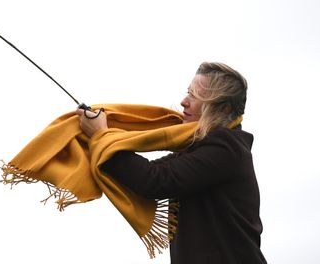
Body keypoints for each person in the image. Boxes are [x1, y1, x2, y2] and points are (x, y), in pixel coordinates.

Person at [77, 62, 267, 264]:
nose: (184, 102)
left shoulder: (227, 148)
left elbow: (154, 180)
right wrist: (106, 136)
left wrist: (101, 135)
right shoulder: (205, 146)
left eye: (196, 96)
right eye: (188, 93)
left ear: (223, 108)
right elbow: (151, 173)